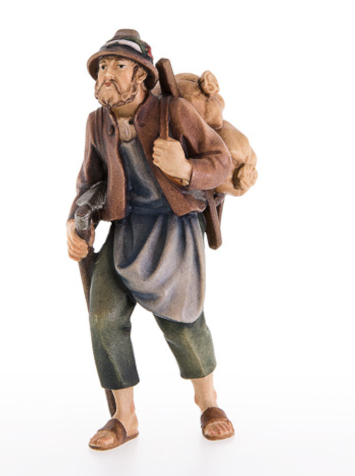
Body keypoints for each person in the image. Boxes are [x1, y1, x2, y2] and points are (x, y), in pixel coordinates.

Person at [67, 29, 235, 450]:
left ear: (140, 74)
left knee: (183, 323)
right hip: (126, 230)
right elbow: (90, 181)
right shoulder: (97, 123)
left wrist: (187, 170)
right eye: (102, 66)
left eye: (118, 65)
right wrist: (76, 220)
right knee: (103, 316)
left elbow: (221, 162)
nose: (107, 74)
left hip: (173, 228)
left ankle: (208, 403)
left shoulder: (174, 112)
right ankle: (124, 417)